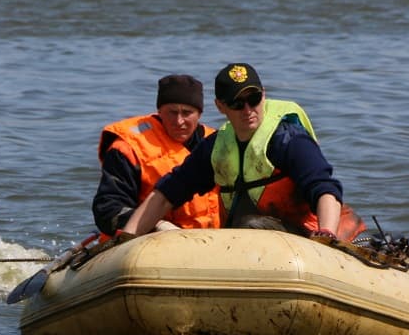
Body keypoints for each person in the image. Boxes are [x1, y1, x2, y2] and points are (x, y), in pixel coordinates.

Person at [122, 63, 365, 241]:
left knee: (249, 225)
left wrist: (326, 236)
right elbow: (166, 193)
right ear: (220, 107)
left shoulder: (289, 140)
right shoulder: (215, 147)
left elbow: (325, 189)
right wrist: (127, 237)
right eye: (237, 104)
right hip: (247, 240)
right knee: (242, 228)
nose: (248, 109)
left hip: (306, 238)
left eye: (254, 98)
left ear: (264, 94)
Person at [92, 74, 221, 237]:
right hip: (148, 240)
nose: (179, 121)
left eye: (187, 113)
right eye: (172, 113)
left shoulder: (217, 144)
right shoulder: (128, 147)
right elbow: (107, 210)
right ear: (159, 111)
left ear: (199, 114)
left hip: (211, 240)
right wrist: (157, 225)